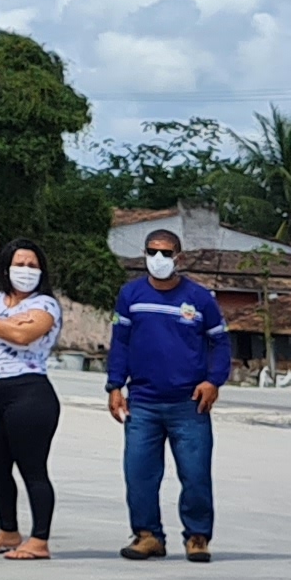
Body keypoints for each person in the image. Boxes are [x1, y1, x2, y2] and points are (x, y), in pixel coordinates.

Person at [108, 226, 230, 561]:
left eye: (165, 252)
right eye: (152, 252)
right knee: (139, 474)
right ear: (144, 254)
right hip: (143, 402)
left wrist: (214, 381)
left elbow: (220, 342)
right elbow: (120, 343)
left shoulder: (200, 298)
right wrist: (115, 385)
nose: (158, 258)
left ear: (179, 257)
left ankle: (197, 537)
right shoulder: (131, 295)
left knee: (195, 474)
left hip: (189, 404)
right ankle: (148, 535)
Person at [0, 244, 66, 559]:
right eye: (20, 263)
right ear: (6, 268)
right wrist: (8, 322)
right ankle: (8, 530)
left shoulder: (45, 304)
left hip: (29, 392)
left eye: (33, 265)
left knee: (32, 467)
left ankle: (39, 539)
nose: (26, 270)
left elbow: (24, 336)